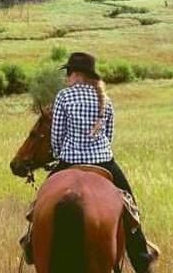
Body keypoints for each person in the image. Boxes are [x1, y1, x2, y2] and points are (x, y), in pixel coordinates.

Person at [24, 51, 160, 272]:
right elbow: (109, 135)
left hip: (68, 160)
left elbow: (56, 136)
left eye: (68, 73)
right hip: (104, 162)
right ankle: (141, 257)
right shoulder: (105, 100)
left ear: (77, 74)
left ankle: (31, 243)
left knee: (40, 202)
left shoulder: (63, 97)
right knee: (130, 207)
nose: (66, 77)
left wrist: (64, 154)